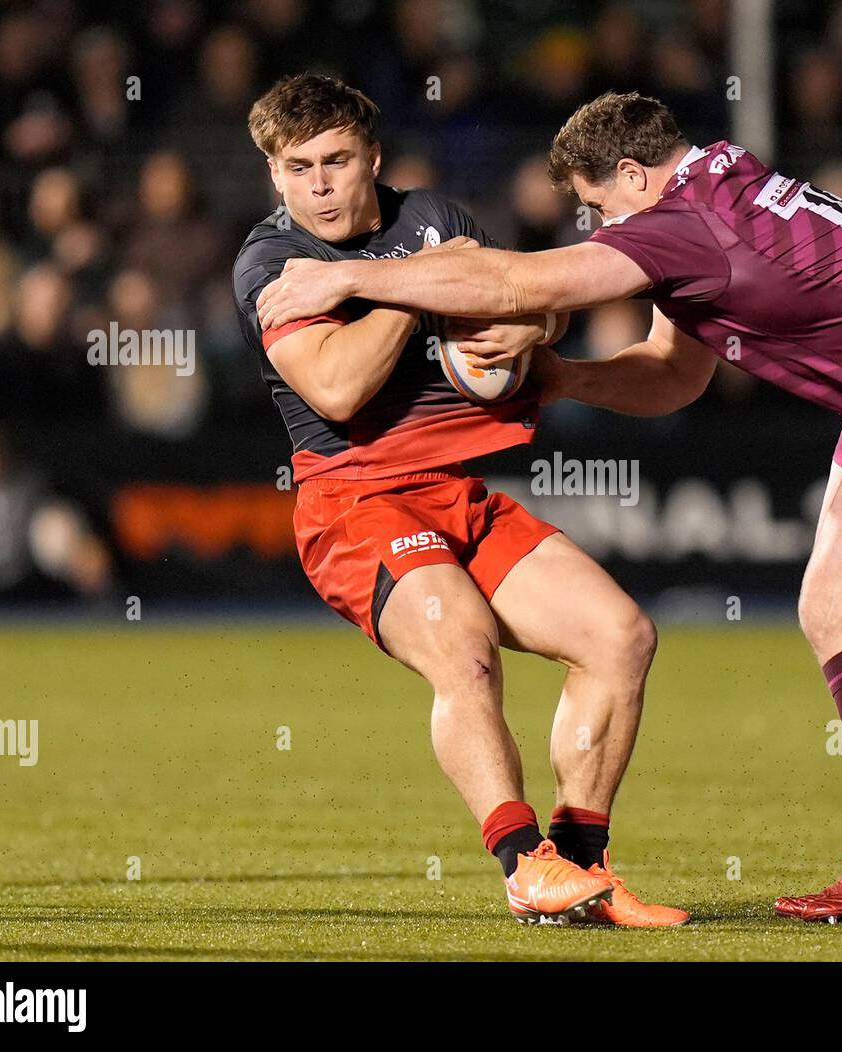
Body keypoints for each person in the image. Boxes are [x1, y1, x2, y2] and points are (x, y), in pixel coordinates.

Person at [257, 91, 842, 924]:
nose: (598, 229)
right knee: (837, 607)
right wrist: (562, 378)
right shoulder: (721, 189)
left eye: (597, 208)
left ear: (635, 174)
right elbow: (674, 376)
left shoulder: (679, 227)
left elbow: (523, 279)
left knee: (838, 604)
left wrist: (347, 274)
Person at [233, 76, 687, 927]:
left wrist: (530, 328)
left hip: (458, 495)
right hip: (352, 503)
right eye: (297, 168)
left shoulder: (438, 218)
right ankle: (522, 866)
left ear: (373, 157)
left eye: (336, 161)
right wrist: (419, 284)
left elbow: (532, 311)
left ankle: (578, 871)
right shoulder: (272, 264)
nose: (319, 185)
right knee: (464, 647)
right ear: (274, 176)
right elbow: (336, 387)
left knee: (619, 637)